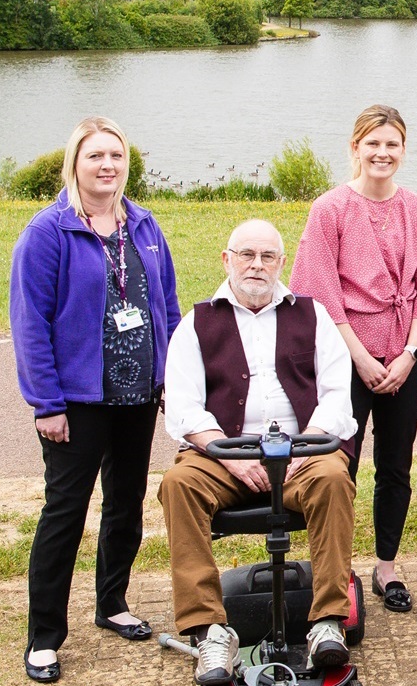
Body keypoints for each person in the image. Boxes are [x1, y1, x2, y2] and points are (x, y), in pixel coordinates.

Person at [10, 116, 181, 683]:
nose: (107, 166)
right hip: (76, 402)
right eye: (95, 157)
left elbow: (168, 308)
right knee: (64, 513)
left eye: (116, 156)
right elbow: (30, 324)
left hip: (136, 397)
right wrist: (46, 403)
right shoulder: (48, 232)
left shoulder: (145, 225)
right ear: (75, 164)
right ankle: (44, 638)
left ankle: (112, 604)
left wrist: (172, 381)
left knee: (125, 505)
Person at [159, 220, 360, 686]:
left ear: (281, 263)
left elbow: (337, 396)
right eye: (246, 254)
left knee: (334, 478)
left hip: (303, 453)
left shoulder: (313, 316)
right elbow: (184, 409)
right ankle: (210, 630)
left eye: (268, 256)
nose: (257, 264)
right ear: (226, 260)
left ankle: (327, 621)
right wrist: (232, 458)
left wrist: (303, 448)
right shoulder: (197, 323)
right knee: (178, 484)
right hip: (225, 456)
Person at [289, 104, 417, 613]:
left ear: (403, 150)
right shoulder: (329, 209)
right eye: (372, 143)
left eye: (392, 144)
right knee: (340, 465)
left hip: (404, 355)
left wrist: (408, 354)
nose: (382, 153)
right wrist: (359, 356)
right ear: (355, 147)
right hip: (345, 357)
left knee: (395, 465)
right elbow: (320, 290)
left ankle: (386, 567)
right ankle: (336, 569)